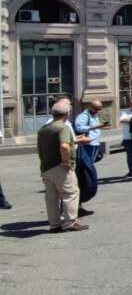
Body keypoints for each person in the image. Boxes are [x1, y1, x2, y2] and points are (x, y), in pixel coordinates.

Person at [38, 98, 88, 232]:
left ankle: (54, 224)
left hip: (46, 167)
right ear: (67, 113)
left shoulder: (44, 129)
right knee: (70, 193)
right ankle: (70, 222)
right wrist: (66, 162)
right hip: (60, 167)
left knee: (51, 197)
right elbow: (64, 146)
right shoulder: (63, 127)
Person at [74, 99, 108, 189]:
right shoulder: (83, 116)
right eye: (96, 109)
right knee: (86, 163)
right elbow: (79, 128)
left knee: (91, 162)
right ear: (90, 107)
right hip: (87, 144)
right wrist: (97, 126)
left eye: (99, 109)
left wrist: (101, 127)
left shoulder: (94, 115)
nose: (98, 111)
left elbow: (94, 128)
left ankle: (87, 180)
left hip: (94, 143)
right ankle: (85, 181)